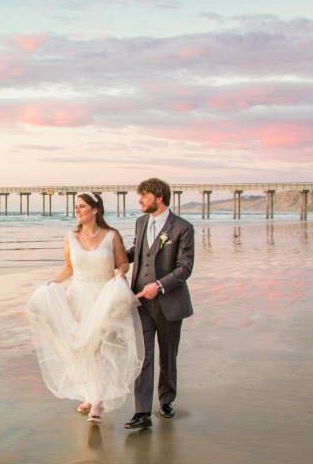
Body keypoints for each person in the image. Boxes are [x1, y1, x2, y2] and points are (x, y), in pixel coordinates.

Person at [25, 192, 144, 424]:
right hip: (78, 296)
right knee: (83, 350)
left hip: (103, 296)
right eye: (76, 207)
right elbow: (69, 269)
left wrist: (120, 274)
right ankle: (91, 395)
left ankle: (97, 402)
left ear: (95, 210)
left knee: (99, 348)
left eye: (81, 206)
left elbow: (122, 263)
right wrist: (52, 284)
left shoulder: (111, 236)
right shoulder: (70, 237)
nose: (77, 210)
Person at [123, 178, 195, 430]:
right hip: (140, 303)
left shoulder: (182, 228)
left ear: (159, 197)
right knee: (143, 356)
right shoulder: (141, 222)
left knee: (167, 356)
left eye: (144, 196)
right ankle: (142, 412)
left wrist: (160, 286)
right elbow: (137, 251)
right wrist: (110, 256)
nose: (140, 200)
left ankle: (166, 401)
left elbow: (185, 268)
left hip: (169, 304)